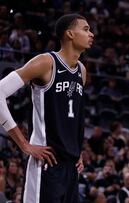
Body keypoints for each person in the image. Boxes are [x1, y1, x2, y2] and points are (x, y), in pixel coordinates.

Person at [0, 13, 94, 203]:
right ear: (70, 34)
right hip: (46, 162)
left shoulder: (81, 71)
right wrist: (24, 145)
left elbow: (74, 116)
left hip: (71, 166)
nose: (91, 34)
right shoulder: (45, 62)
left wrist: (78, 152)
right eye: (85, 29)